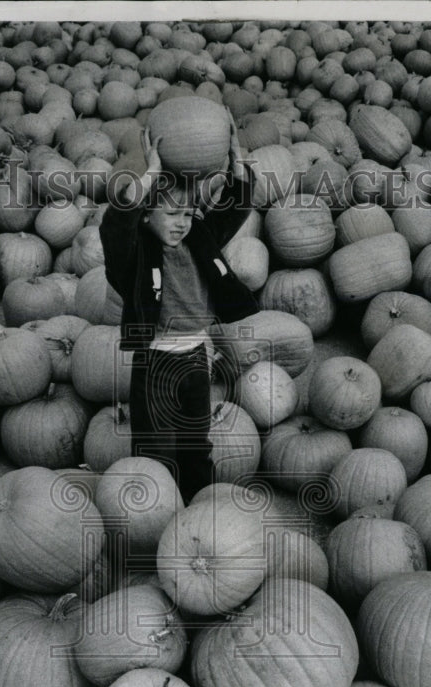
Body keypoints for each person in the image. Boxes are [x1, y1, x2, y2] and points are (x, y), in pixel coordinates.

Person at [99, 112, 259, 506]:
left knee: (195, 445)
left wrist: (236, 165)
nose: (182, 223)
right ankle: (154, 517)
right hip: (155, 365)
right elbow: (115, 224)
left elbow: (235, 209)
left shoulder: (200, 240)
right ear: (147, 215)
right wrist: (151, 173)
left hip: (195, 360)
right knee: (155, 450)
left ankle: (201, 509)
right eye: (171, 214)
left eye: (187, 214)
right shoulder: (134, 254)